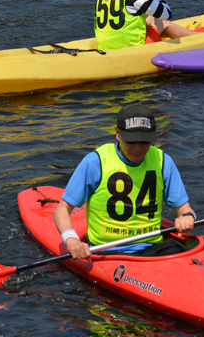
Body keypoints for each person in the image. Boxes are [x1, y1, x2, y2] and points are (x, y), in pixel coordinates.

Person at [54, 104, 196, 261]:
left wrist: (187, 216)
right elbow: (62, 209)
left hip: (153, 248)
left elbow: (184, 208)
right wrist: (71, 239)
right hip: (106, 251)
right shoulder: (95, 163)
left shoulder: (164, 162)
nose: (138, 148)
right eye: (131, 141)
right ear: (117, 133)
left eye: (144, 141)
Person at [94, 0, 202, 51]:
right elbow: (167, 14)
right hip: (134, 49)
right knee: (163, 22)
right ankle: (199, 38)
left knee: (150, 17)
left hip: (106, 47)